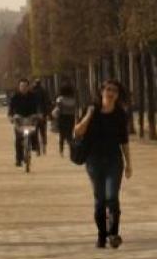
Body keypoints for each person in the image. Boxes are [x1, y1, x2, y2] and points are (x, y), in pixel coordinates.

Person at [74, 80, 132, 249]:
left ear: (118, 94)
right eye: (108, 89)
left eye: (114, 90)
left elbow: (124, 141)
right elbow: (77, 131)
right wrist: (88, 116)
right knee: (99, 200)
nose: (111, 93)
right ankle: (101, 235)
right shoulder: (91, 109)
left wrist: (129, 164)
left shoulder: (120, 113)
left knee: (112, 197)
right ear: (101, 92)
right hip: (94, 160)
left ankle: (113, 234)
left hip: (114, 160)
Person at [8, 78, 40, 167]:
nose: (23, 88)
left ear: (28, 87)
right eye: (22, 86)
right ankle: (18, 159)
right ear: (19, 87)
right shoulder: (15, 97)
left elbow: (38, 107)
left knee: (35, 130)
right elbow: (11, 109)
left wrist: (39, 114)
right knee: (18, 140)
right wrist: (11, 117)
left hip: (30, 118)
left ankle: (35, 145)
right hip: (19, 119)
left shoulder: (33, 96)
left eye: (25, 86)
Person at [52, 81, 77, 157]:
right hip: (71, 118)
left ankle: (61, 150)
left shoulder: (60, 99)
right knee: (70, 135)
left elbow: (58, 108)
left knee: (62, 135)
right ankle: (72, 150)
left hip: (62, 118)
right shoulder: (73, 99)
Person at [30, 78, 52, 154]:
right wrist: (48, 114)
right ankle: (44, 145)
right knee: (43, 131)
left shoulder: (31, 92)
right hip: (42, 114)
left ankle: (37, 148)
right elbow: (47, 103)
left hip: (34, 115)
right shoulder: (44, 91)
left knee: (34, 131)